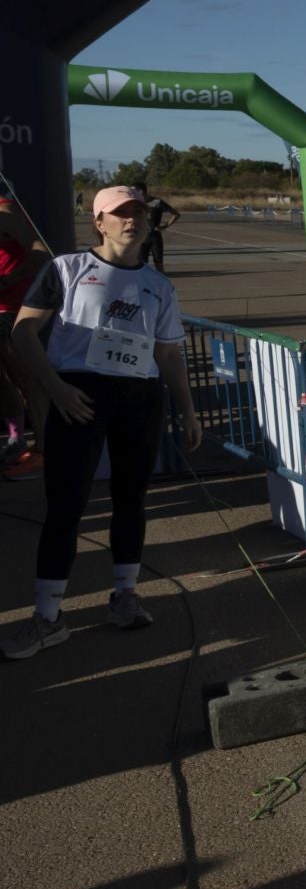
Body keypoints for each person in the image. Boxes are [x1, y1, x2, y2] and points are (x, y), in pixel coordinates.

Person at [1, 186, 203, 660]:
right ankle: (47, 617)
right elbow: (23, 330)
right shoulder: (66, 269)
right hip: (79, 397)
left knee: (131, 499)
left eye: (138, 213)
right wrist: (55, 389)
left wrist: (188, 410)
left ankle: (125, 597)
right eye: (120, 214)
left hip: (139, 399)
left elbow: (169, 354)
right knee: (66, 506)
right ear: (99, 222)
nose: (132, 220)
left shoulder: (158, 285)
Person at [0, 183, 51, 479]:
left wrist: (7, 280)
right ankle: (16, 439)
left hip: (10, 310)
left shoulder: (5, 210)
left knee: (27, 379)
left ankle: (43, 452)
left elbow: (41, 254)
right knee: (2, 380)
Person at [141, 188, 180, 273]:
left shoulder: (157, 202)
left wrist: (165, 226)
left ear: (141, 191)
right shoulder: (135, 203)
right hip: (141, 237)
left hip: (154, 236)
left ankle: (162, 283)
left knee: (158, 264)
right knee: (142, 264)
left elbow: (176, 214)